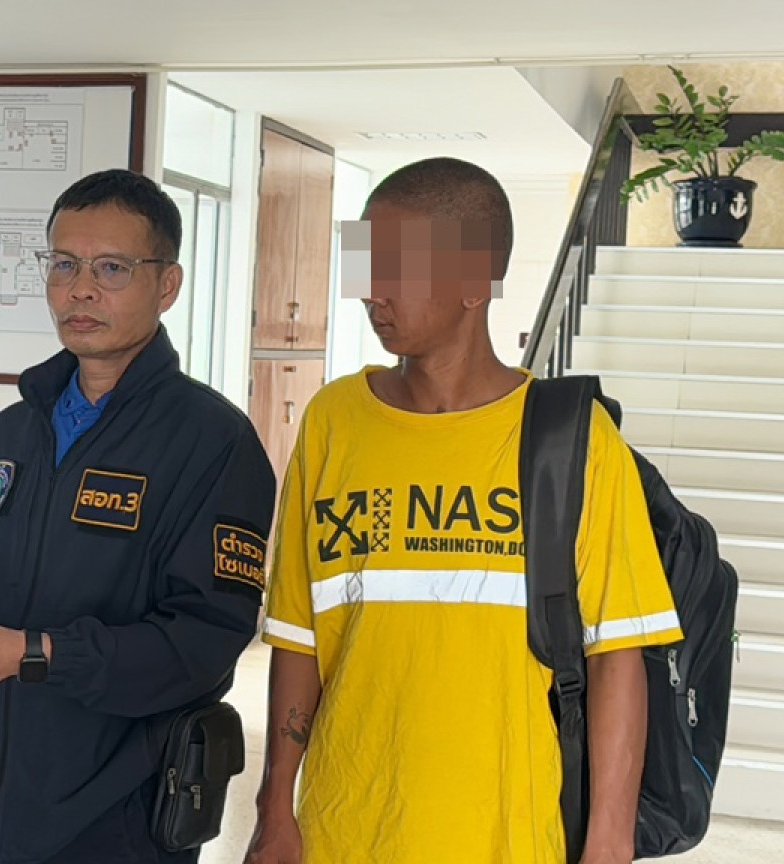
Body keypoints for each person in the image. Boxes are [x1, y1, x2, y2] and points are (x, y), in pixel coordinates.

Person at [244, 157, 683, 864]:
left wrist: (608, 843)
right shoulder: (332, 421)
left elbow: (617, 655)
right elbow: (299, 636)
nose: (373, 292)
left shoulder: (574, 439)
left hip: (508, 837)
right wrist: (274, 807)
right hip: (342, 830)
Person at [0, 169, 275, 862]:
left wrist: (34, 655)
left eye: (112, 268)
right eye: (64, 264)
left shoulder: (214, 441)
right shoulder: (13, 431)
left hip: (123, 819)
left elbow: (203, 643)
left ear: (168, 285)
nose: (80, 289)